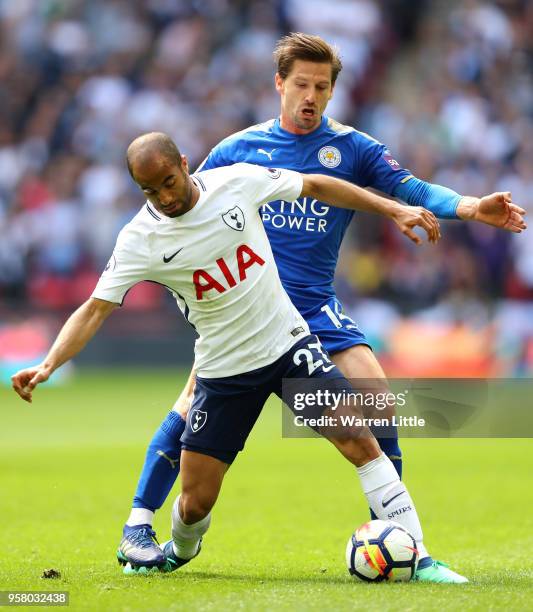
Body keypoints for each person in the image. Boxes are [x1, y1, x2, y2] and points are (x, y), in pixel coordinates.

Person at [118, 33, 526, 581]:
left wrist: (472, 206)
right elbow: (181, 214)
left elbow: (411, 189)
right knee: (190, 412)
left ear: (333, 92)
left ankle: (409, 549)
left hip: (312, 307)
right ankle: (148, 527)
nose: (310, 96)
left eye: (322, 87)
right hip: (243, 315)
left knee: (378, 401)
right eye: (302, 85)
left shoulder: (354, 148)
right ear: (279, 84)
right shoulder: (238, 150)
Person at [13, 132, 450, 577]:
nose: (164, 196)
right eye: (149, 190)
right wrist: (49, 364)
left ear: (184, 164)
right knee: (194, 502)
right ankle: (180, 550)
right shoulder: (139, 239)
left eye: (168, 181)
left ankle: (419, 558)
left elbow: (315, 185)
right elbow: (94, 309)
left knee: (361, 441)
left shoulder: (235, 182)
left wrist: (393, 206)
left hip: (288, 348)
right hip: (224, 374)